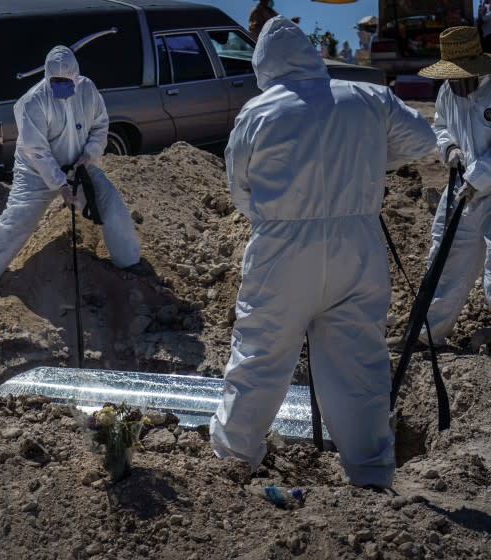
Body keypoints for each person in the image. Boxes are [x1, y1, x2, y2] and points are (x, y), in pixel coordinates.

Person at [209, 17, 435, 489]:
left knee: (260, 357)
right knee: (358, 367)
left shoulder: (259, 111)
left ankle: (232, 465)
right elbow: (422, 139)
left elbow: (240, 188)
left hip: (282, 250)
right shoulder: (369, 97)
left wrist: (280, 215)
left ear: (265, 65)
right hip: (358, 246)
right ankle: (372, 476)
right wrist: (369, 162)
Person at [0, 46, 142, 301]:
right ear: (47, 77)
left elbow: (100, 126)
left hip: (78, 165)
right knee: (16, 219)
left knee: (110, 202)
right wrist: (60, 184)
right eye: (55, 81)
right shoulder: (32, 101)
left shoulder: (88, 91)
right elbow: (38, 151)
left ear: (76, 78)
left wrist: (88, 155)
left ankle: (129, 261)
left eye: (66, 81)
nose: (61, 86)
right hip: (36, 172)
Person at [416, 26, 491, 347]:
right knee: (446, 257)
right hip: (463, 188)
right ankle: (427, 334)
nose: (458, 82)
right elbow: (442, 125)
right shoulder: (448, 91)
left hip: (482, 186)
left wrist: (479, 178)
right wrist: (449, 149)